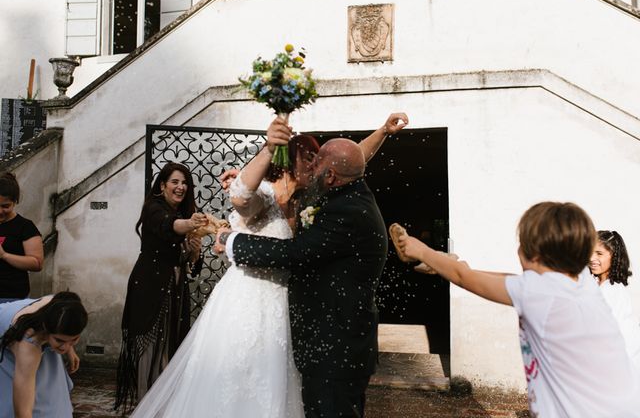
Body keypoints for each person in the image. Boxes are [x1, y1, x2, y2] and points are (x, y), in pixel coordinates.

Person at [127, 113, 407, 418]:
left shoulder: (310, 197)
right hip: (247, 302)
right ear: (291, 159)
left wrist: (382, 131)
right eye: (309, 158)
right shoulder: (266, 193)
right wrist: (268, 149)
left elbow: (348, 163)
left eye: (318, 161)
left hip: (283, 308)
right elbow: (241, 196)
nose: (314, 165)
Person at [394, 202, 640, 417]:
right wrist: (451, 265)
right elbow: (506, 279)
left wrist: (420, 250)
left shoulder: (541, 293)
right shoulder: (579, 283)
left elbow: (462, 278)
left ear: (531, 251)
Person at [115, 162, 206, 412]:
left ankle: (165, 408)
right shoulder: (154, 209)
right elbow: (170, 226)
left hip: (176, 291)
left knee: (171, 349)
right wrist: (190, 224)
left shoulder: (184, 214)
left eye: (184, 183)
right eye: (175, 182)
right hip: (150, 287)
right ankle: (147, 407)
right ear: (163, 185)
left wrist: (195, 253)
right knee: (149, 349)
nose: (181, 187)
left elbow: (190, 265)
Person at [0, 291, 88, 418]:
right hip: (8, 333)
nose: (65, 347)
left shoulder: (64, 306)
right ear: (46, 329)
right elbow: (23, 412)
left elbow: (67, 332)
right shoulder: (28, 343)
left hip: (30, 324)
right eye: (60, 340)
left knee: (54, 399)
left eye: (74, 339)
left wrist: (71, 350)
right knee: (16, 399)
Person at [589, 230, 640, 370]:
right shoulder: (597, 286)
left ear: (614, 256)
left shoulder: (613, 291)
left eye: (599, 254)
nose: (592, 258)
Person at [0, 172, 44, 304]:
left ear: (15, 202)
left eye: (5, 206)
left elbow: (37, 263)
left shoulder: (25, 226)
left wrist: (4, 255)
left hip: (11, 298)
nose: (0, 211)